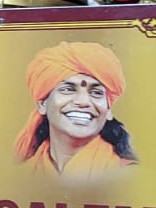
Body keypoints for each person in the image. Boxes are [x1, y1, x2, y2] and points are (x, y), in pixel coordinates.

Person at [13, 41, 138, 182]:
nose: (83, 102)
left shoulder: (129, 175)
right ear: (43, 104)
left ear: (108, 109)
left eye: (96, 92)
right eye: (68, 89)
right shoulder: (20, 175)